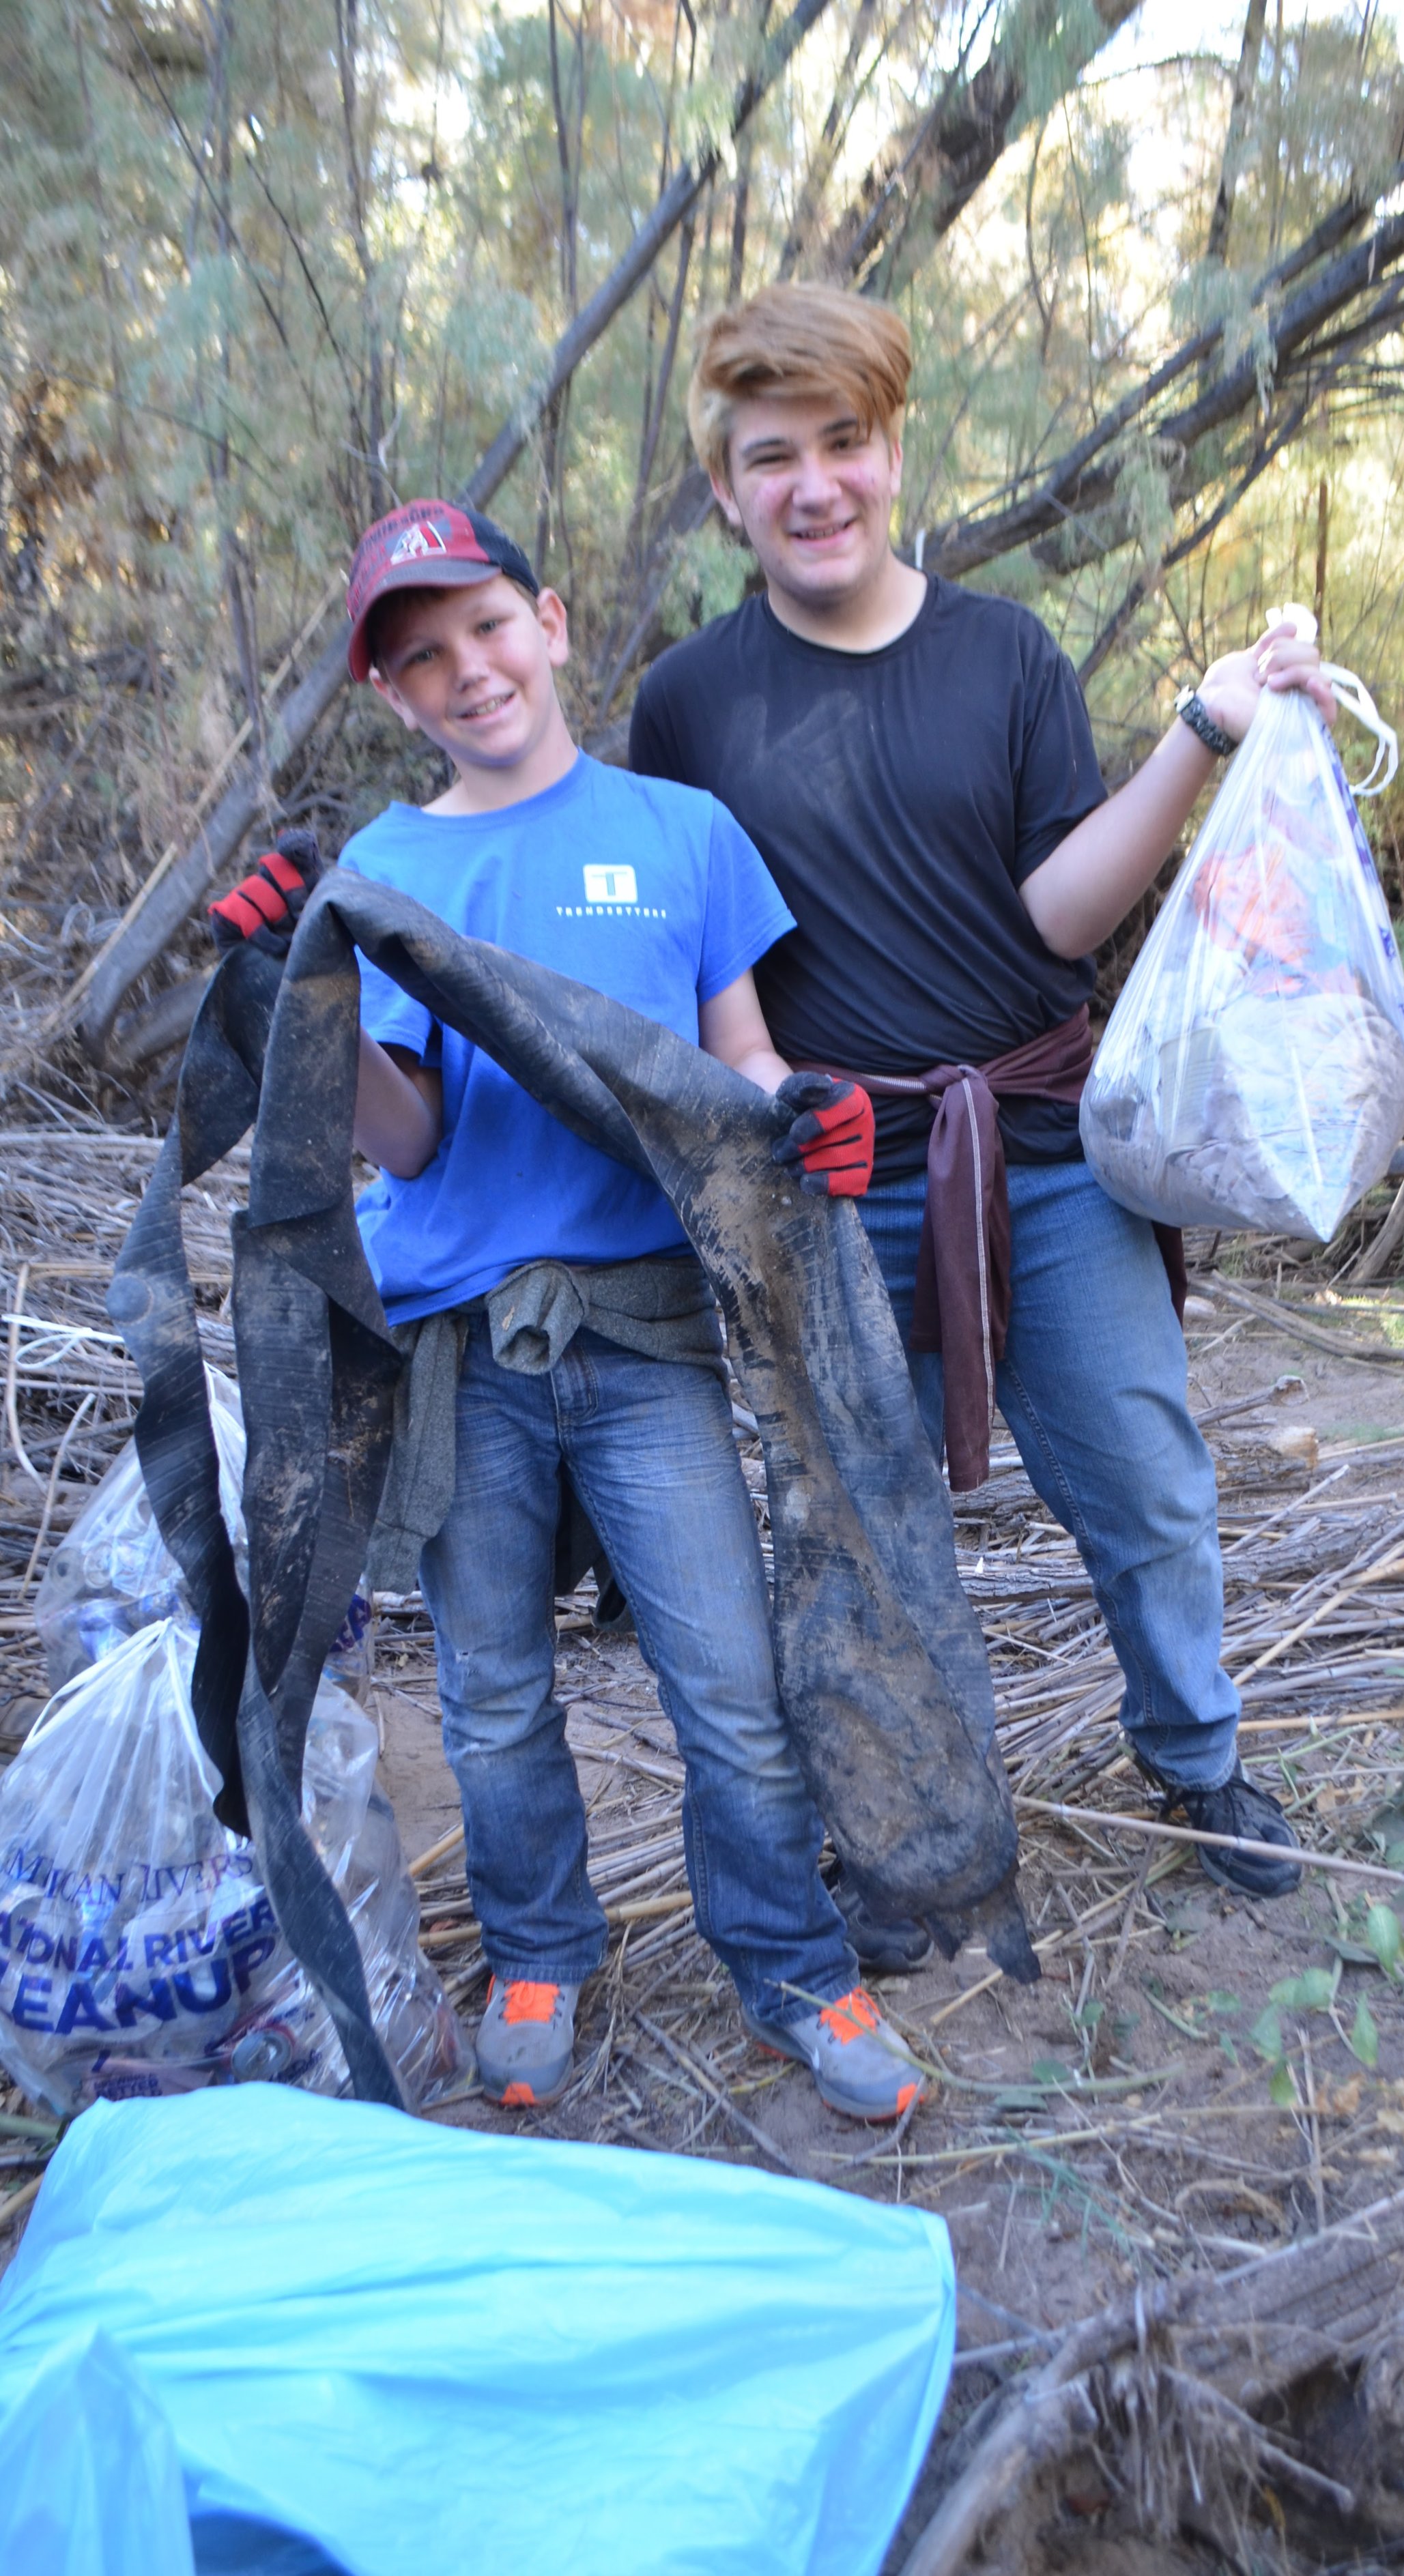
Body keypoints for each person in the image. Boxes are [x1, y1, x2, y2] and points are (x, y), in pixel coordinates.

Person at [631, 283, 1329, 1935]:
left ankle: (1195, 1750)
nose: (814, 484)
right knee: (855, 1526)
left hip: (1042, 1158)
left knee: (1144, 1479)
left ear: (892, 451)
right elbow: (686, 953)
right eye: (769, 455)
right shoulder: (687, 703)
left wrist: (1201, 734)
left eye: (843, 443)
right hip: (829, 1173)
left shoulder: (1003, 653)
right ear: (725, 491)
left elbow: (1058, 921)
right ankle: (901, 1820)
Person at [210, 497, 919, 2119]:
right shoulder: (389, 869)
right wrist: (290, 1005)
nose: (469, 673)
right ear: (391, 697)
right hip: (460, 1351)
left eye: (486, 630)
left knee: (729, 1683)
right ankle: (539, 1948)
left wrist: (804, 1106)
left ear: (551, 620)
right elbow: (409, 1135)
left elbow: (736, 1060)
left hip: (648, 1333)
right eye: (423, 658)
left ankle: (795, 1968)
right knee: (492, 1695)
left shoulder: (682, 833)